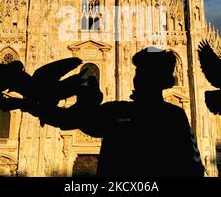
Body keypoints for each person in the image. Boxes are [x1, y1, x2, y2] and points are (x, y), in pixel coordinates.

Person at [23, 47, 204, 177]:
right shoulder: (173, 116)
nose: (136, 78)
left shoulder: (121, 112)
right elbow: (69, 119)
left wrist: (35, 103)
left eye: (141, 73)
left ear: (160, 80)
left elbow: (69, 119)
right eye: (137, 73)